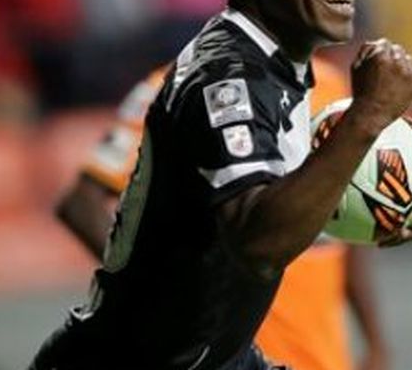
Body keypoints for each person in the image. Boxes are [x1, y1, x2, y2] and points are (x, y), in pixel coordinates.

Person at [29, 0, 412, 369]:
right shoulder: (225, 81)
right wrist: (367, 116)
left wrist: (377, 208)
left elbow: (266, 220)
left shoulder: (293, 77)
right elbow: (259, 243)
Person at [55, 57, 389, 370]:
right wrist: (161, 295)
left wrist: (373, 340)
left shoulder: (330, 85)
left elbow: (343, 222)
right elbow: (82, 204)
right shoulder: (178, 84)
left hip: (322, 357)